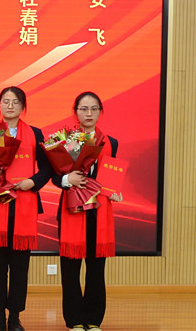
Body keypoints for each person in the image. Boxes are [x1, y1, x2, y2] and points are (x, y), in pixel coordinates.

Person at [0, 86, 52, 331]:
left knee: (19, 268)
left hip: (24, 206)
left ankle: (15, 317)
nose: (10, 106)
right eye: (5, 101)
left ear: (23, 106)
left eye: (15, 102)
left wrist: (33, 182)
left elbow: (47, 168)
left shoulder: (36, 134)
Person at [58, 92, 122, 331]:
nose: (89, 113)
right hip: (72, 210)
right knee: (70, 270)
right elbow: (55, 176)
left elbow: (110, 175)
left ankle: (93, 320)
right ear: (76, 112)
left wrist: (115, 191)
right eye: (83, 109)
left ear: (100, 112)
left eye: (94, 109)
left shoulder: (111, 142)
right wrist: (67, 179)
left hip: (99, 212)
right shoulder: (64, 141)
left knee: (96, 269)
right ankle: (74, 320)